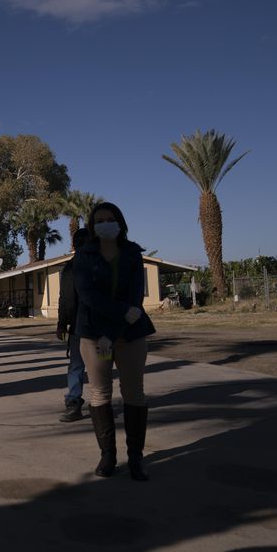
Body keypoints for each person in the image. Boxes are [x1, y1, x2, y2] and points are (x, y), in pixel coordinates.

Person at [73, 202, 156, 481]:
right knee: (99, 393)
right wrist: (118, 317)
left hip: (130, 333)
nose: (105, 223)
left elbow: (135, 295)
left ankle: (136, 457)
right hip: (95, 334)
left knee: (134, 393)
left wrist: (120, 323)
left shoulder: (133, 253)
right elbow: (87, 296)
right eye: (99, 220)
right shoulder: (84, 255)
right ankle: (107, 455)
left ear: (119, 222)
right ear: (92, 226)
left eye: (110, 219)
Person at [56, 228, 92, 422]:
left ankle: (76, 403)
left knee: (78, 367)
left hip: (87, 327)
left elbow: (65, 300)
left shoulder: (70, 267)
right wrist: (62, 324)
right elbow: (66, 299)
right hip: (83, 327)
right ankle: (83, 403)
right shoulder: (73, 267)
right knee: (86, 367)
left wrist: (62, 324)